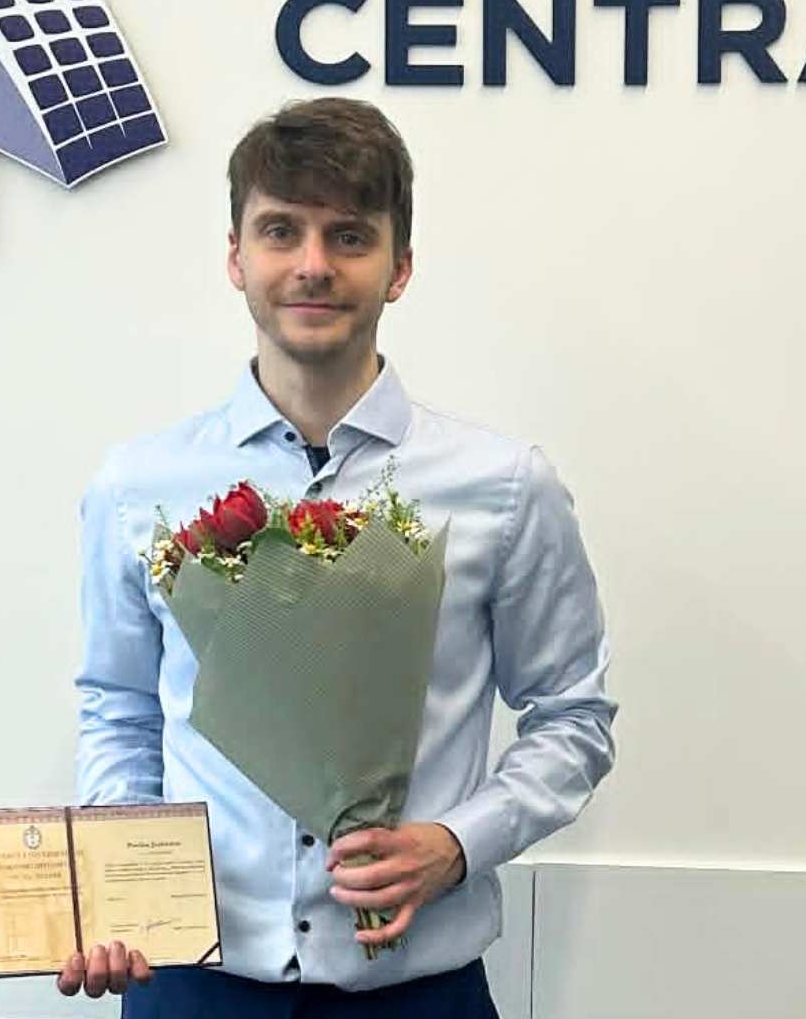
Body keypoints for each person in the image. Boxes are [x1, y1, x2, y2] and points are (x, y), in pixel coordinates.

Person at [65, 98, 617, 1017]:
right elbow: (120, 709)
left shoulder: (505, 486)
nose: (313, 264)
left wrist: (458, 842)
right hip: (194, 985)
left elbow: (574, 716)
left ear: (400, 267)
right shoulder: (137, 486)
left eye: (349, 235)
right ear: (236, 257)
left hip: (419, 992)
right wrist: (120, 885)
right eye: (281, 230)